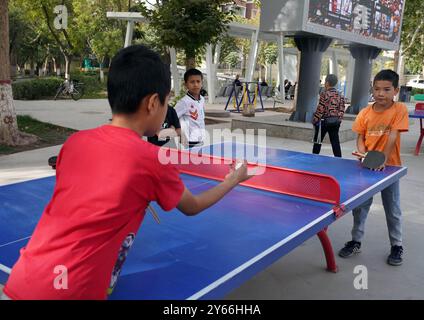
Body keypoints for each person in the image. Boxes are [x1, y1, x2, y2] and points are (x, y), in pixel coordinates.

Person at [1, 45, 252, 300]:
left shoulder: (74, 142)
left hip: (25, 277)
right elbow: (192, 206)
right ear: (154, 103)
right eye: (166, 102)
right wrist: (233, 179)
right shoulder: (152, 160)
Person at [338, 69, 409, 266]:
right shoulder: (364, 113)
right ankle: (355, 241)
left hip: (390, 167)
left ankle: (396, 245)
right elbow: (360, 139)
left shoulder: (399, 109)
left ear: (395, 90)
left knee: (392, 209)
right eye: (377, 89)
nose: (381, 93)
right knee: (360, 208)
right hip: (367, 167)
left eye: (386, 89)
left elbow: (393, 135)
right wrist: (364, 155)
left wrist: (382, 159)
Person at [312, 74, 346, 157]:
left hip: (324, 122)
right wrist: (339, 120)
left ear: (327, 83)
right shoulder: (340, 94)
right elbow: (342, 108)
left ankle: (313, 158)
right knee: (335, 142)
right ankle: (339, 159)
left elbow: (321, 109)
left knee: (318, 141)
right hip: (335, 122)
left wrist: (315, 119)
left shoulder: (324, 94)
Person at [175, 68, 206, 149]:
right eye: (192, 82)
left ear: (202, 83)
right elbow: (172, 116)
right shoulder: (184, 102)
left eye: (198, 81)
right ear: (186, 85)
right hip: (190, 141)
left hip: (201, 139)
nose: (195, 84)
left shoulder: (202, 99)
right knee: (191, 161)